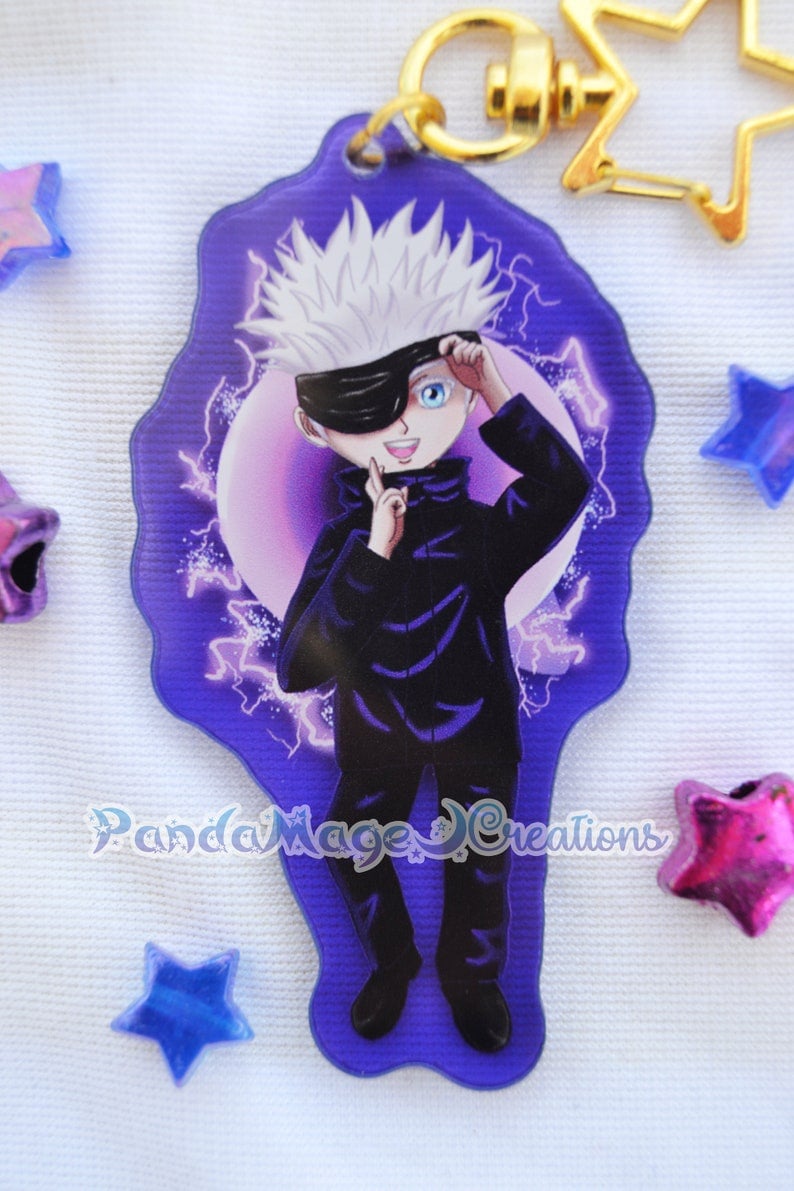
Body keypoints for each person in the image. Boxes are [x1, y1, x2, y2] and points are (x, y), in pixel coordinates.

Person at [246, 200, 592, 1052]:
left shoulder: (478, 530)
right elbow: (299, 666)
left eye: (429, 394)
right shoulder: (344, 543)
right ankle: (391, 961)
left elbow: (562, 488)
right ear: (313, 424)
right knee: (351, 845)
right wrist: (374, 551)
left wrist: (497, 391)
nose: (403, 427)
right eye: (366, 410)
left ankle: (474, 980)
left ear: (459, 395)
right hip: (377, 731)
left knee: (482, 856)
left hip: (478, 723)